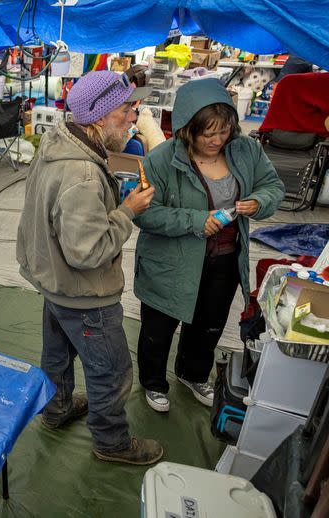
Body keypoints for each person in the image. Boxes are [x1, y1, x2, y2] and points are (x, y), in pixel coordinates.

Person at [16, 71, 163, 465]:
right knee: (111, 370)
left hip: (53, 281)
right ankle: (111, 442)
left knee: (58, 354)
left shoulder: (59, 143)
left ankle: (57, 406)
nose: (134, 117)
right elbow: (88, 251)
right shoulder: (81, 173)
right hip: (83, 293)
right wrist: (127, 212)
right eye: (127, 109)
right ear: (99, 117)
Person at [133, 79, 285, 413]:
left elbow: (272, 185)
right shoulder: (160, 160)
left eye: (224, 132)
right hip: (171, 263)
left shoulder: (246, 150)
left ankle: (193, 374)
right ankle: (154, 382)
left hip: (225, 259)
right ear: (188, 129)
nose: (217, 141)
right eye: (208, 134)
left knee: (209, 324)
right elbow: (145, 215)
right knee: (159, 328)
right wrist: (195, 220)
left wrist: (259, 201)